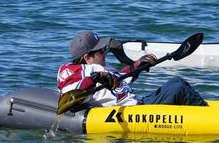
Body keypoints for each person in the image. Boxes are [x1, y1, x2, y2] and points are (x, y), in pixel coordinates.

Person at [57, 30, 207, 107]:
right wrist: (93, 79)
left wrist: (137, 66)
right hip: (132, 112)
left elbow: (121, 79)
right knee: (178, 90)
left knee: (177, 81)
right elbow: (68, 94)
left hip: (139, 103)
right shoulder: (79, 71)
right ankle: (208, 117)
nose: (105, 52)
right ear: (87, 58)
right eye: (101, 51)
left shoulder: (101, 65)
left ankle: (205, 109)